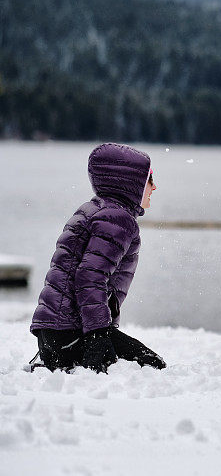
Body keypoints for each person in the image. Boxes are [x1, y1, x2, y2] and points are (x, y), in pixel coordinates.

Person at [29, 143, 166, 373]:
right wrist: (97, 334)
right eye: (149, 179)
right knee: (154, 366)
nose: (155, 186)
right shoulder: (118, 219)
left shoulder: (94, 209)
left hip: (53, 334)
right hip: (71, 333)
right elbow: (89, 277)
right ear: (132, 182)